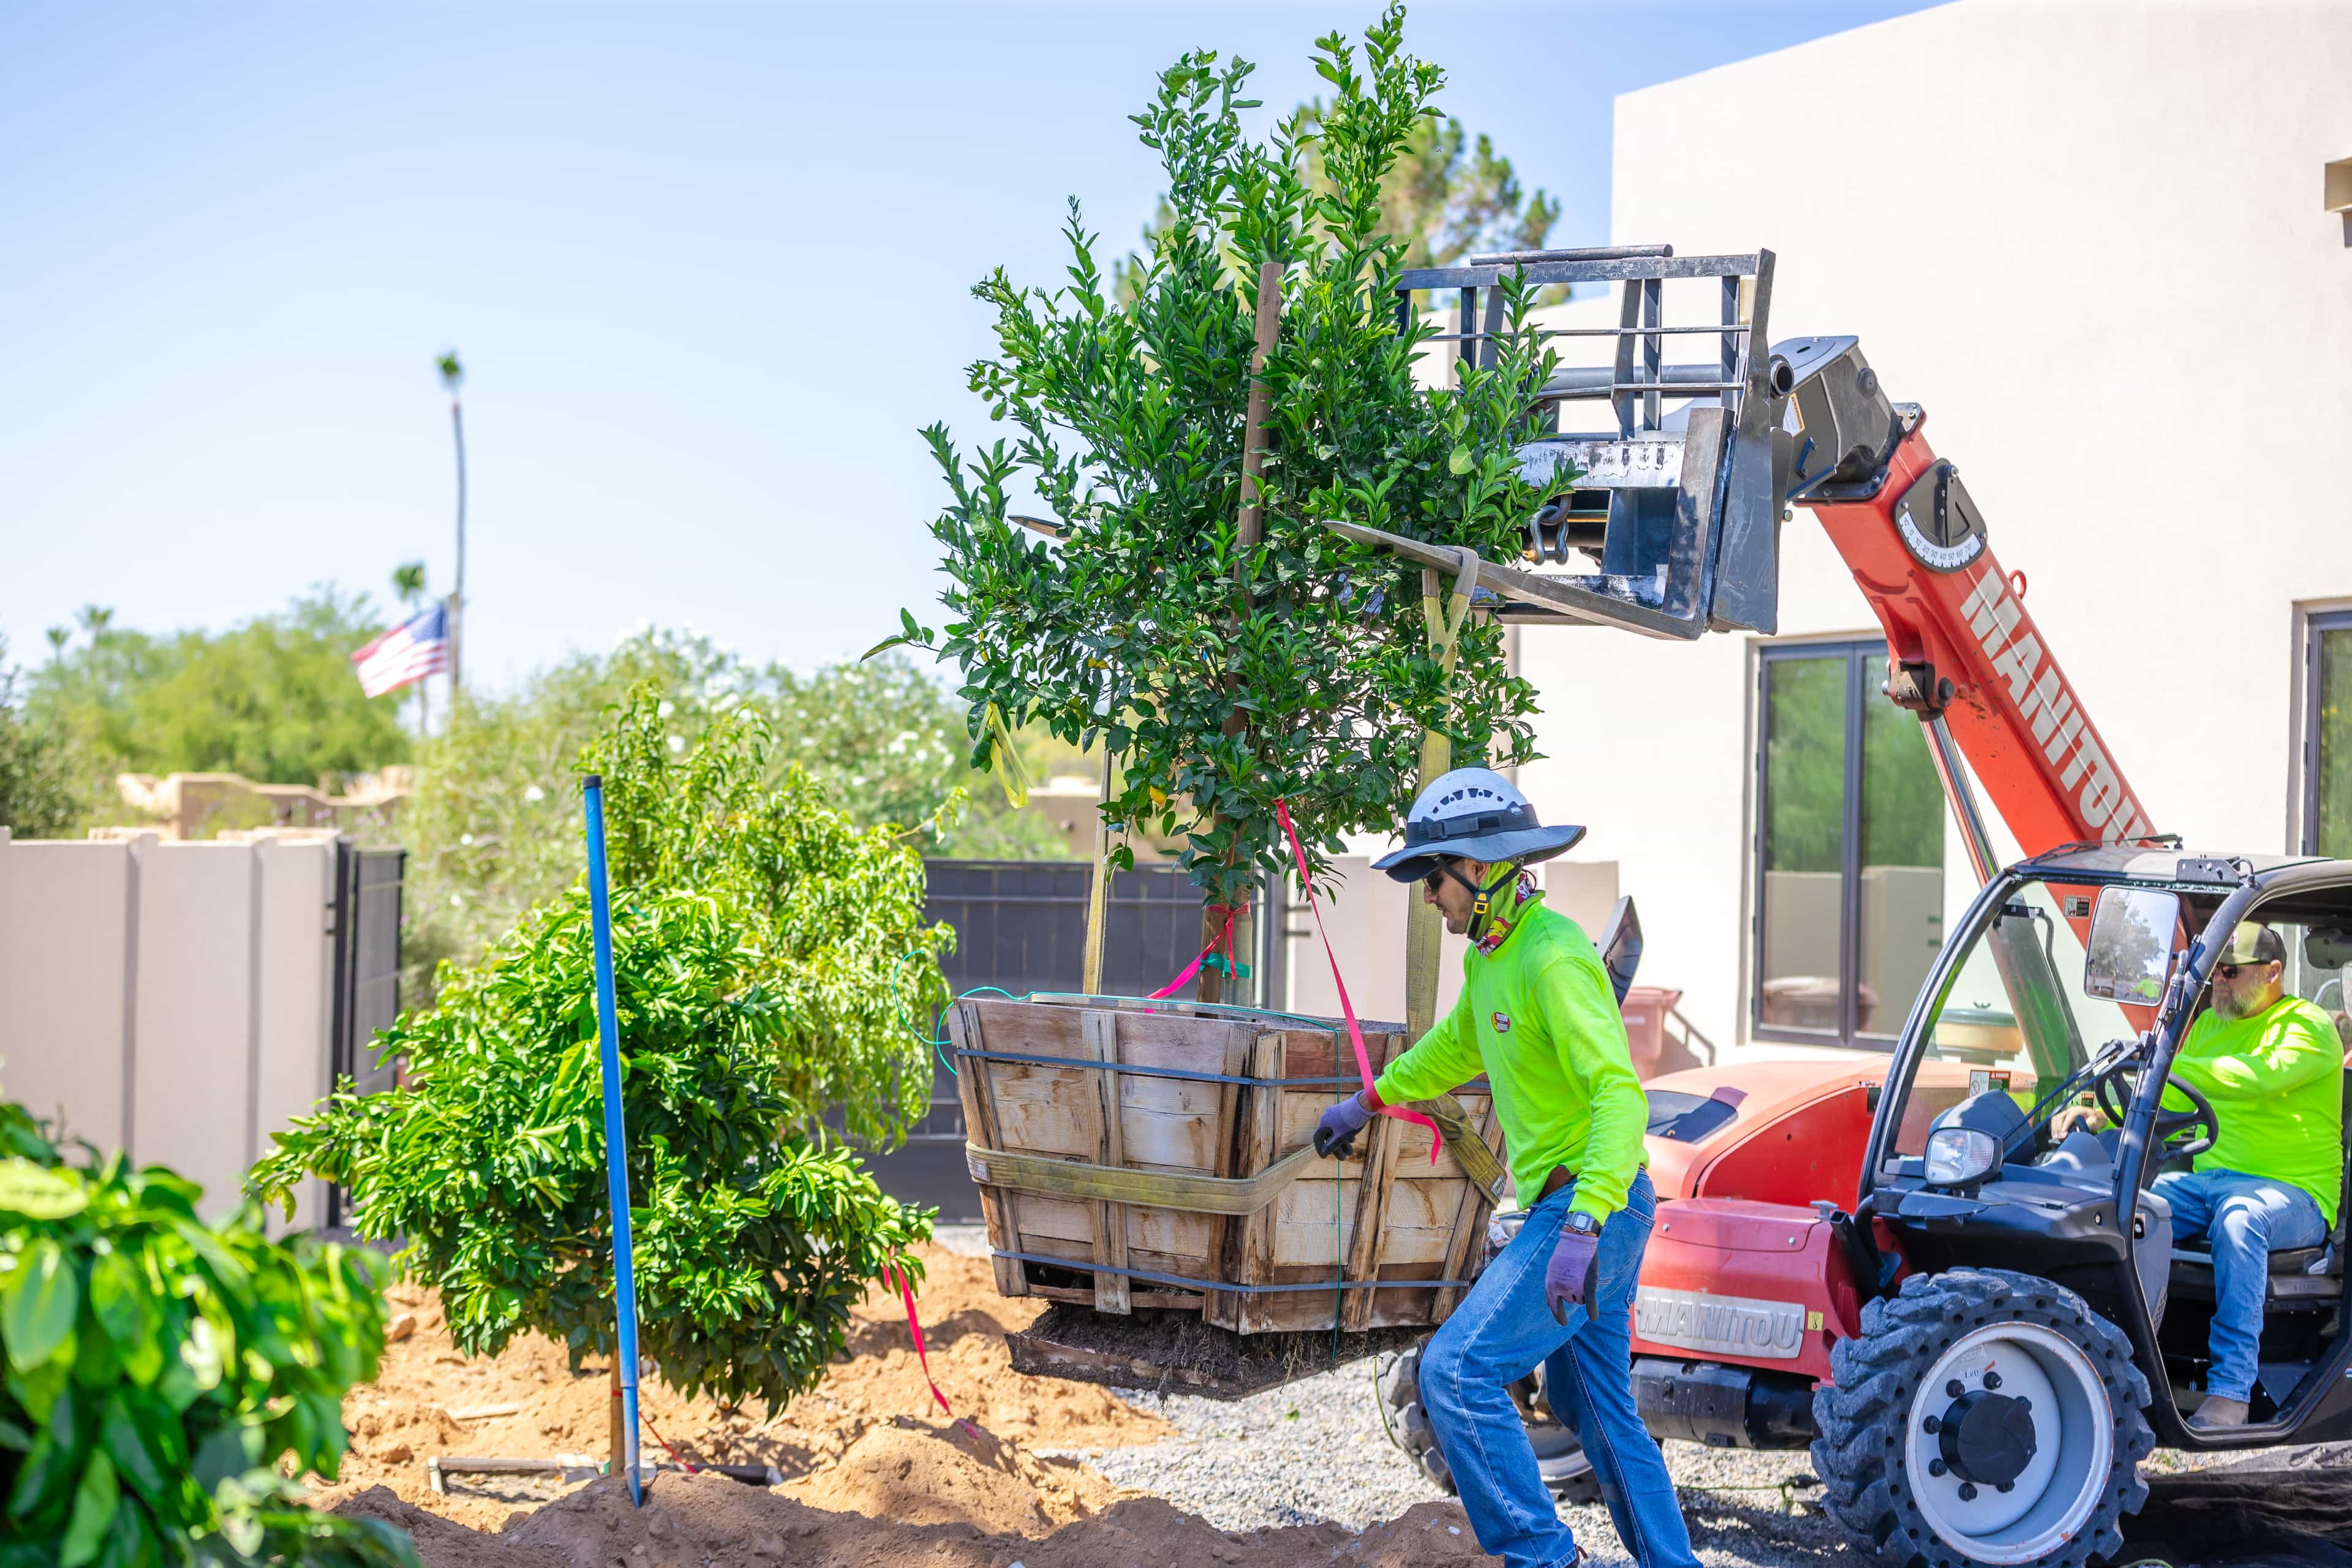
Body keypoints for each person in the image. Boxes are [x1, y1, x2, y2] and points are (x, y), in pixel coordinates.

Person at [1312, 768, 1694, 1568]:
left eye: (1434, 877)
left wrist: (1585, 1224)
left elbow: (1620, 1098)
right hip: (1592, 1207)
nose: (1428, 897)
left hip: (1592, 1206)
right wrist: (1366, 1102)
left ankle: (1546, 1559)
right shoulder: (1495, 957)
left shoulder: (1551, 960)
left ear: (1481, 870)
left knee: (1454, 1374)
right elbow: (1457, 1046)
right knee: (1591, 1407)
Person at [2155, 921, 2345, 1430]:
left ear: (2274, 972)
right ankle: (2130, 1358)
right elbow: (2171, 1096)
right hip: (2209, 1183)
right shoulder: (2211, 1024)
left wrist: (2164, 1065)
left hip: (2295, 1196)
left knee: (2242, 1221)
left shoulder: (2306, 1025)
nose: (2218, 981)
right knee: (2134, 1206)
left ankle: (2231, 1393)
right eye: (2213, 971)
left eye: (2231, 972)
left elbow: (2256, 1078)